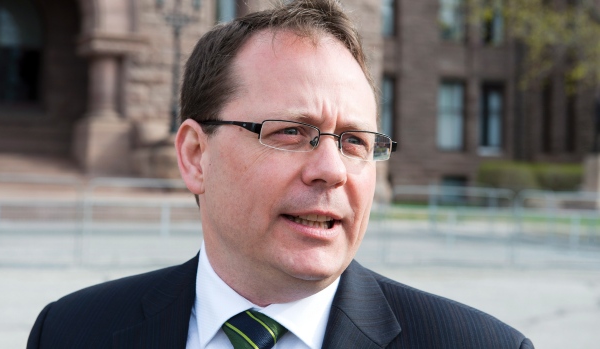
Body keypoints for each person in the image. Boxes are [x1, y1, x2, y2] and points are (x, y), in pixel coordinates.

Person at [28, 1, 534, 348]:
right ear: (195, 156)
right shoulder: (71, 331)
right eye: (292, 132)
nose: (332, 170)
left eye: (355, 141)